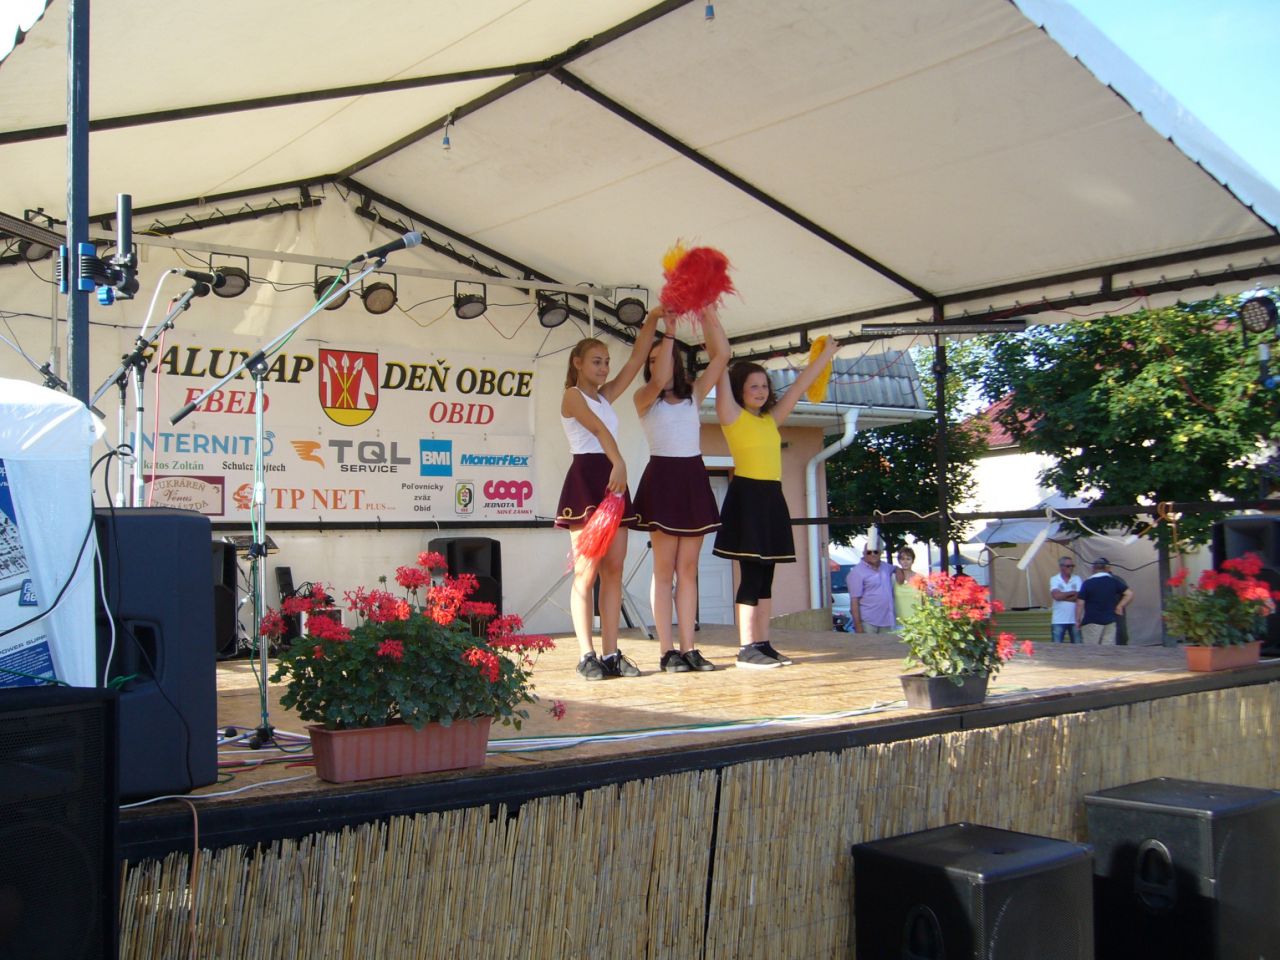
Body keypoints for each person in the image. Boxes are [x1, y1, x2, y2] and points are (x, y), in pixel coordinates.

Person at [713, 336, 843, 668]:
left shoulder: (770, 420)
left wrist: (826, 354)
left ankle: (763, 642)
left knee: (766, 576)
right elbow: (720, 368)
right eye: (753, 386)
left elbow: (799, 386)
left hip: (772, 497)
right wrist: (712, 331)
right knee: (750, 576)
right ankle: (746, 648)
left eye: (764, 386)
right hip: (747, 498)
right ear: (739, 390)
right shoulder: (731, 415)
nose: (761, 391)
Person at [556, 306, 662, 680]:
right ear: (578, 363)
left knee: (614, 570)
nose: (603, 368)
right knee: (585, 572)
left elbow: (635, 361)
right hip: (588, 480)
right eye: (596, 361)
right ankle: (586, 654)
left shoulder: (605, 395)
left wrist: (654, 320)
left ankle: (612, 653)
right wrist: (619, 462)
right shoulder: (572, 395)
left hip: (613, 482)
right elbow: (599, 431)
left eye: (605, 362)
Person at [633, 309, 730, 673]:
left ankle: (689, 648)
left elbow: (722, 355)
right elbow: (659, 379)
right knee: (664, 570)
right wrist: (669, 330)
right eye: (652, 359)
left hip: (691, 477)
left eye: (664, 358)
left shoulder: (693, 395)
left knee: (688, 569)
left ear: (677, 362)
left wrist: (707, 314)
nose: (658, 365)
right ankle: (666, 650)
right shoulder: (644, 398)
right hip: (663, 478)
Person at [1075, 557, 1133, 645]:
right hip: (1110, 621)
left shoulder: (1087, 583)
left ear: (1093, 569)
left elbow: (1080, 603)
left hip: (1092, 621)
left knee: (1090, 649)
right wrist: (1120, 606)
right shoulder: (1113, 581)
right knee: (1107, 649)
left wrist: (1078, 619)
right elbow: (1129, 594)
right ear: (1106, 568)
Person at [846, 544, 895, 634]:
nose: (873, 554)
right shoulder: (857, 572)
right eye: (869, 552)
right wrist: (858, 626)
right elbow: (854, 601)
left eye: (875, 552)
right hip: (868, 623)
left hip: (886, 622)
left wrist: (899, 571)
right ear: (864, 553)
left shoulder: (886, 567)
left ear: (880, 553)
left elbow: (896, 568)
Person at [1049, 556, 1082, 643]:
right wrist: (1072, 592)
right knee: (1057, 647)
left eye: (1072, 566)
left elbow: (1080, 597)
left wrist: (1062, 596)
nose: (1071, 568)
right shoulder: (1054, 579)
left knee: (1078, 647)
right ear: (1061, 566)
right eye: (1068, 566)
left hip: (1074, 619)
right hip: (1058, 619)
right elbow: (1056, 596)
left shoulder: (1077, 578)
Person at [891, 546, 924, 630]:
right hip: (898, 623)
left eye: (908, 559)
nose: (905, 562)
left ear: (913, 561)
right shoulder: (893, 578)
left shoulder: (920, 577)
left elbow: (924, 600)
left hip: (917, 624)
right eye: (902, 559)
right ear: (899, 561)